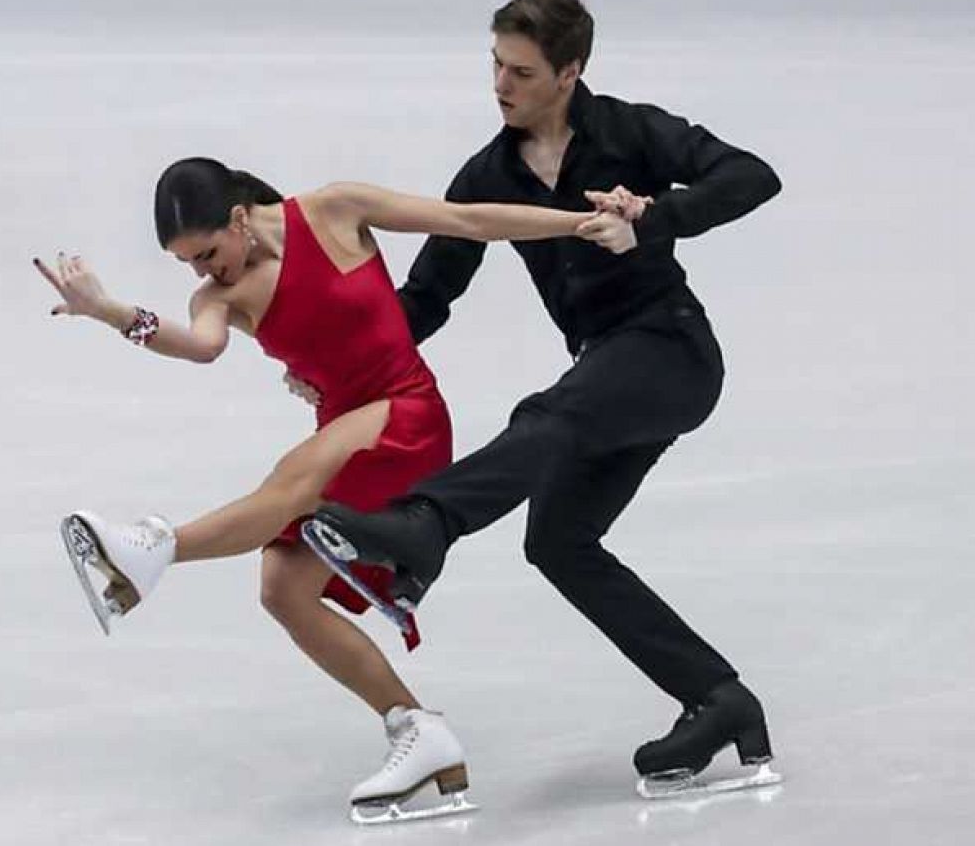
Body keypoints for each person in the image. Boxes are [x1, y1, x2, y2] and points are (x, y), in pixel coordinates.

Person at [296, 0, 785, 798]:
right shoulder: (489, 173)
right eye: (494, 64)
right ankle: (721, 700)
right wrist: (336, 359)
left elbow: (751, 175)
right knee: (556, 541)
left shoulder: (627, 132)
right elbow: (429, 296)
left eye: (520, 71)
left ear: (570, 71)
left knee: (550, 415)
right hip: (604, 367)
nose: (499, 84)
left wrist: (654, 216)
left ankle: (426, 526)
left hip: (670, 351)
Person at [35, 156, 630, 821]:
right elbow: (199, 346)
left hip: (407, 412)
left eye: (205, 253)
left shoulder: (333, 210)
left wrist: (579, 223)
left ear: (238, 219)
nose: (203, 272)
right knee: (283, 589)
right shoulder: (219, 298)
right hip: (347, 429)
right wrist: (112, 312)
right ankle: (416, 731)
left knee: (293, 480)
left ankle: (154, 548)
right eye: (187, 264)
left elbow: (466, 220)